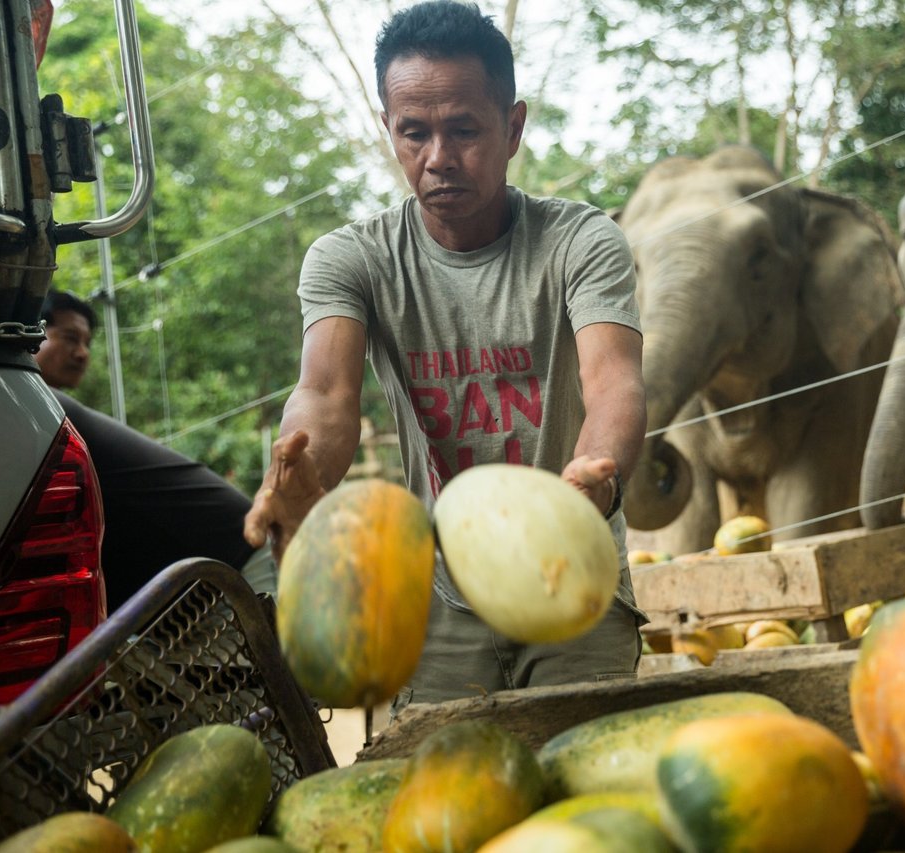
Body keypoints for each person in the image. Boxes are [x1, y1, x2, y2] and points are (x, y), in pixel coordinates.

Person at [243, 0, 647, 708]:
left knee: (579, 787)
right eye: (414, 132)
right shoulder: (351, 257)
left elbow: (614, 381)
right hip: (442, 598)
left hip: (571, 572)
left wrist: (594, 483)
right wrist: (302, 466)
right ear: (388, 130)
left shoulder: (579, 241)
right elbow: (326, 395)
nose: (438, 158)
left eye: (464, 129)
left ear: (512, 127)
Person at [36, 289, 277, 610]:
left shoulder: (50, 413)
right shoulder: (48, 419)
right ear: (32, 330)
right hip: (197, 595)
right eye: (69, 338)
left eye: (86, 343)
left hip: (232, 572)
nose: (82, 353)